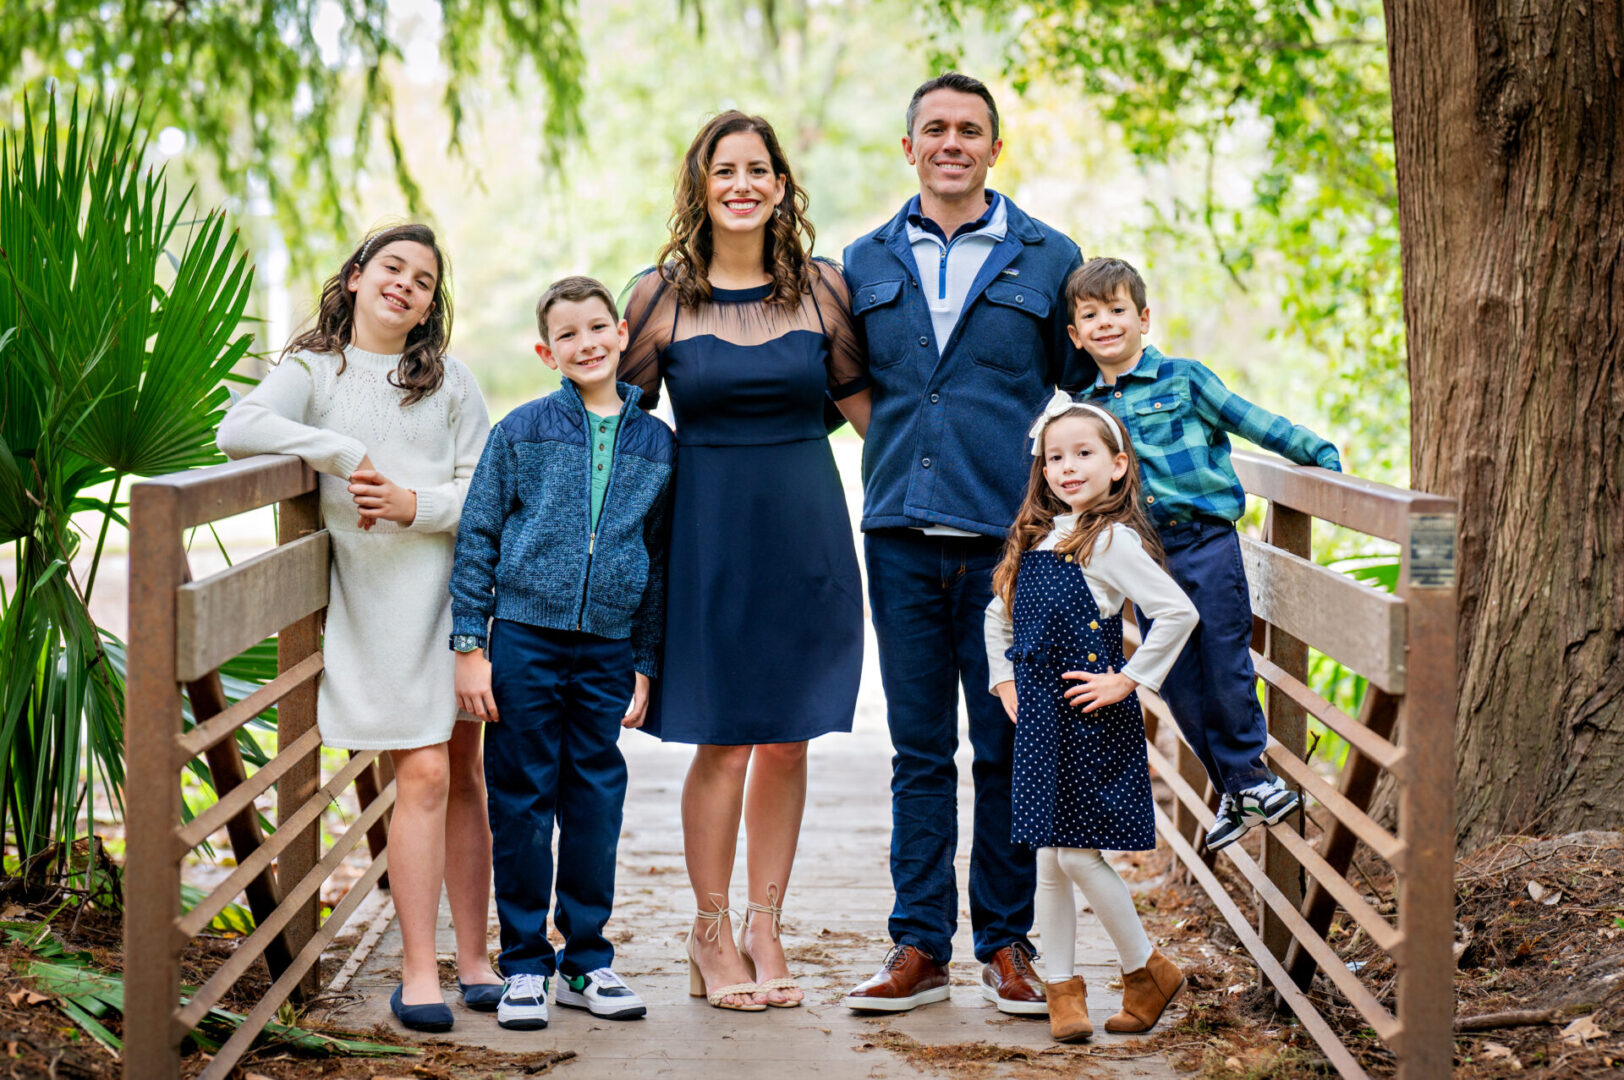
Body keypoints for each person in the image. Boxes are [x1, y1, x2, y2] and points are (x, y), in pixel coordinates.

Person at [840, 72, 1090, 1016]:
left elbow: (1089, 382)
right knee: (917, 749)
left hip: (1008, 550)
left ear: (995, 147)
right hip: (900, 540)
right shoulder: (862, 262)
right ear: (909, 148)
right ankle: (918, 946)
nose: (952, 142)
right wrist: (913, 456)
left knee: (1006, 745)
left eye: (971, 130)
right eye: (934, 129)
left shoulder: (1046, 255)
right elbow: (847, 386)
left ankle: (1006, 943)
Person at [216, 224, 501, 1032]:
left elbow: (482, 491)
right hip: (375, 607)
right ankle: (419, 969)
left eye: (422, 280)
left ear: (428, 309)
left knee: (462, 771)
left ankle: (475, 958)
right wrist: (341, 451)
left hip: (454, 594)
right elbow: (237, 430)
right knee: (424, 776)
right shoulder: (313, 371)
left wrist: (416, 505)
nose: (405, 284)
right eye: (392, 267)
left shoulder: (450, 382)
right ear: (355, 277)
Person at [620, 110, 872, 1012]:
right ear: (701, 184)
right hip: (705, 534)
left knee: (788, 736)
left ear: (780, 184)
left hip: (806, 529)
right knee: (722, 740)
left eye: (758, 169)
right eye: (724, 169)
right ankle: (711, 928)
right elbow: (616, 426)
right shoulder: (658, 297)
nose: (742, 183)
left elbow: (868, 414)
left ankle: (770, 923)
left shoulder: (823, 290)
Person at [448, 275, 674, 1030]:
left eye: (597, 327)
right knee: (519, 800)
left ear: (620, 335)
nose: (586, 343)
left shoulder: (657, 442)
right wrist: (471, 645)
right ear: (549, 352)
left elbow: (659, 559)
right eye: (568, 335)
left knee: (594, 803)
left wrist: (645, 660)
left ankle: (587, 960)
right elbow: (478, 536)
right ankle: (523, 965)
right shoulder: (521, 431)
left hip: (608, 648)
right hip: (524, 639)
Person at [1071, 256, 1340, 850]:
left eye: (1117, 311)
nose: (1106, 324)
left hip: (1205, 543)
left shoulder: (1186, 379)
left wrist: (1318, 454)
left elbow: (1252, 422)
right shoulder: (1085, 409)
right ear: (1075, 334)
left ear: (1143, 318)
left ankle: (1247, 779)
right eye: (1091, 315)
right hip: (1142, 560)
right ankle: (1244, 788)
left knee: (1223, 662)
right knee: (1175, 680)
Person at [985, 393, 1197, 1042]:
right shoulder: (1039, 535)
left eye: (1084, 454)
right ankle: (1064, 993)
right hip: (1042, 718)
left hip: (1087, 716)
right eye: (1055, 457)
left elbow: (1177, 612)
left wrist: (1128, 680)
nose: (1067, 467)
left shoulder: (1109, 541)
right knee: (1050, 858)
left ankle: (1146, 967)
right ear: (1041, 470)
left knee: (1076, 855)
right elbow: (998, 615)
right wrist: (1003, 679)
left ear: (1118, 466)